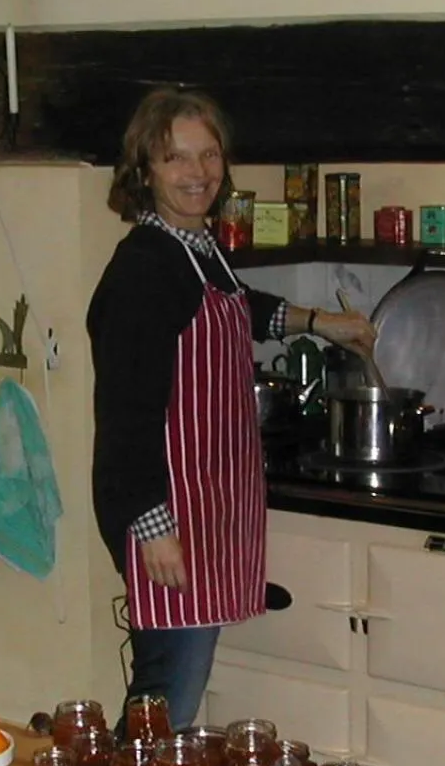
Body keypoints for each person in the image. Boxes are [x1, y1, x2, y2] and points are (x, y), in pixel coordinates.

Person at [87, 88, 375, 731]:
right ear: (145, 171)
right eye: (175, 158)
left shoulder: (195, 249)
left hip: (206, 505)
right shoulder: (143, 269)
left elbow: (239, 304)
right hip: (168, 511)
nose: (198, 173)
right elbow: (126, 415)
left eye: (209, 155)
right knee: (167, 697)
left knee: (172, 692)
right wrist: (153, 527)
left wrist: (319, 322)